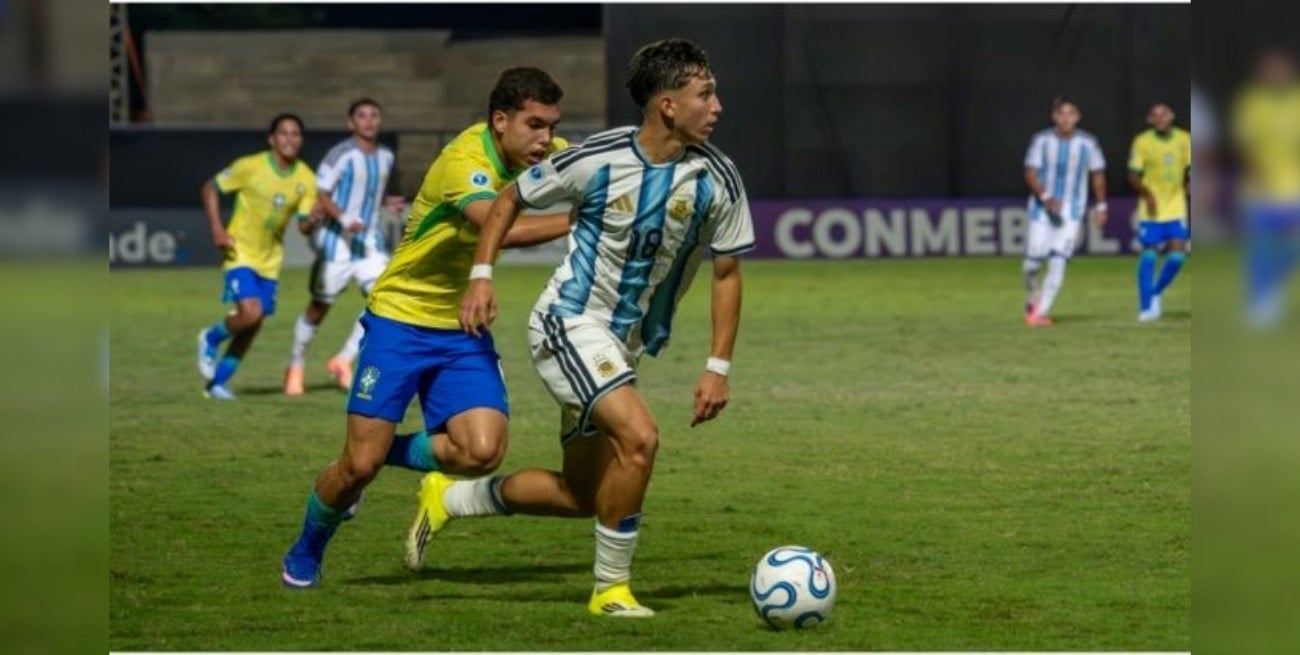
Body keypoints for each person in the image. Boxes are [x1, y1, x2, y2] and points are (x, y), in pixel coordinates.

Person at [408, 38, 755, 618]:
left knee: (582, 495)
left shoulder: (718, 177)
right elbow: (508, 200)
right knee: (640, 439)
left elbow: (727, 272)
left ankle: (452, 497)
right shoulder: (599, 157)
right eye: (705, 93)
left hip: (622, 347)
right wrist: (482, 276)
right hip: (567, 323)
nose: (717, 105)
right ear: (668, 105)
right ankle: (610, 591)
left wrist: (717, 367)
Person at [280, 68, 573, 588]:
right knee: (355, 470)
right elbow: (497, 227)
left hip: (461, 327)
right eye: (534, 125)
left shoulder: (541, 149)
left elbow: (600, 163)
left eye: (552, 126)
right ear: (500, 121)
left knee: (480, 452)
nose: (545, 139)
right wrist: (583, 218)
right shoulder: (465, 163)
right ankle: (307, 547)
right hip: (400, 319)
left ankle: (381, 455)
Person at [285, 98, 406, 395]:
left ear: (379, 121)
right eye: (361, 116)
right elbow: (321, 192)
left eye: (374, 115)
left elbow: (371, 193)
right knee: (319, 307)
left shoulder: (386, 157)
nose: (368, 120)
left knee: (387, 301)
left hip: (368, 243)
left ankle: (343, 359)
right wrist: (343, 216)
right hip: (335, 243)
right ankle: (296, 364)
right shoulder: (340, 154)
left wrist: (387, 202)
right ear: (351, 123)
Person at [195, 114, 316, 400]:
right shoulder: (250, 166)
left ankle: (217, 385)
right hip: (240, 252)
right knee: (251, 313)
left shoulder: (306, 179)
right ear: (272, 139)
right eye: (283, 133)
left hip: (270, 261)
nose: (290, 139)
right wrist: (217, 229)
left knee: (253, 325)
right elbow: (209, 188)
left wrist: (313, 220)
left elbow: (303, 226)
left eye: (295, 133)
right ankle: (210, 337)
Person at [1021, 96, 1108, 327]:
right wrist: (1046, 197)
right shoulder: (1041, 141)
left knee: (1059, 259)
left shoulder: (1089, 143)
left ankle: (1040, 313)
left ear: (1078, 117)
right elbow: (1030, 172)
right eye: (1062, 114)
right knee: (1032, 263)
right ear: (1054, 117)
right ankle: (1032, 297)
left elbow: (1097, 174)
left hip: (1072, 210)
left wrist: (1101, 206)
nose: (1066, 118)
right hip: (1042, 208)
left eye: (1071, 114)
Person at [1233, 48, 1300, 327]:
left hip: (1294, 189)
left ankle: (1271, 289)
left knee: (1293, 249)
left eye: (1281, 68)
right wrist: (1261, 176)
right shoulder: (1253, 103)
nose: (1276, 74)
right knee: (1260, 249)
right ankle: (1261, 304)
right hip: (1259, 191)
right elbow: (1246, 147)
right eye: (1271, 69)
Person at [1126, 102, 1192, 322]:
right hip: (1151, 208)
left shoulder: (1185, 140)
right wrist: (1147, 194)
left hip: (1176, 205)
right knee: (1150, 254)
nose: (1160, 118)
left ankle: (1156, 293)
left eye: (1164, 114)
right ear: (1150, 120)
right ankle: (1146, 308)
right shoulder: (1143, 142)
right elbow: (1133, 175)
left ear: (1172, 116)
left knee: (1177, 257)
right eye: (1155, 115)